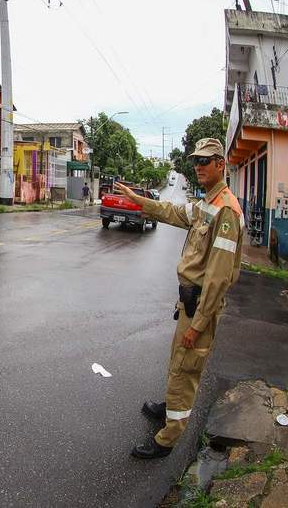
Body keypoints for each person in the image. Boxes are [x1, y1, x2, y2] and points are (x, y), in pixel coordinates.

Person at [114, 138, 243, 459]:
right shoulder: (207, 203)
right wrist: (139, 200)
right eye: (196, 161)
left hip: (201, 307)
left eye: (205, 161)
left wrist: (197, 325)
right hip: (189, 302)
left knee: (186, 369)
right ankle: (170, 407)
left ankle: (167, 440)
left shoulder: (225, 210)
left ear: (220, 165)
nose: (198, 166)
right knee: (178, 362)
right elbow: (173, 211)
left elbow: (218, 279)